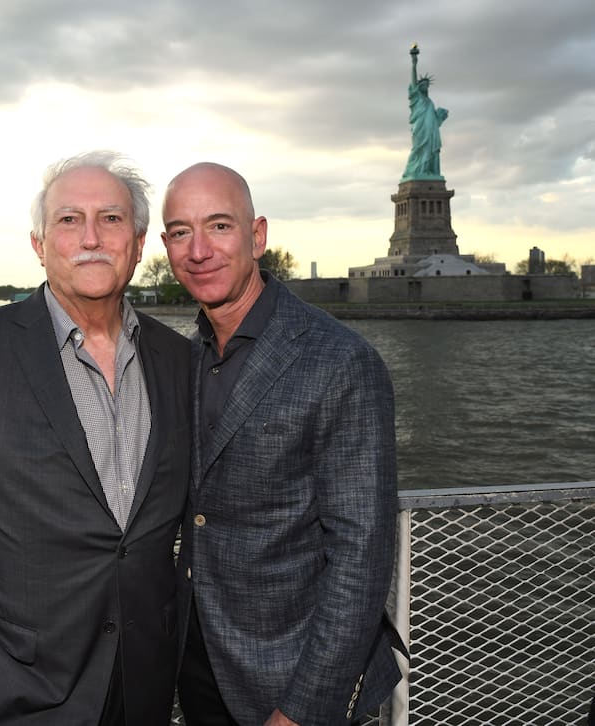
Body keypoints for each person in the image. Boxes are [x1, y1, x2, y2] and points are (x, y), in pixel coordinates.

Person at [0, 151, 191, 725]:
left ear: (138, 243)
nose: (91, 237)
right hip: (14, 690)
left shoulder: (178, 358)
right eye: (69, 220)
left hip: (145, 681)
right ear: (39, 245)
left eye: (111, 218)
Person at [161, 162, 405, 726]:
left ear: (257, 236)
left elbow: (362, 557)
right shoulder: (184, 356)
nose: (198, 250)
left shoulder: (341, 360)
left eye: (219, 226)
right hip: (199, 665)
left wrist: (303, 709)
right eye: (180, 232)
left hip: (294, 679)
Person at [401, 43, 448, 181]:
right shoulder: (416, 97)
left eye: (427, 85)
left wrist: (440, 117)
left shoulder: (429, 102)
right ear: (418, 87)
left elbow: (434, 120)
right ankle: (412, 171)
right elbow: (413, 79)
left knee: (430, 150)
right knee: (418, 149)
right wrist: (414, 62)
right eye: (423, 85)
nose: (426, 87)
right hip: (420, 128)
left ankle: (427, 171)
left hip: (431, 130)